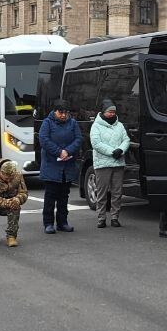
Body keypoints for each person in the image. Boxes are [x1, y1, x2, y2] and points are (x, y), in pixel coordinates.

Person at [38, 98, 81, 234]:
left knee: (64, 196)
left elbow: (78, 138)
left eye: (65, 113)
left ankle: (63, 222)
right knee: (50, 196)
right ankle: (48, 223)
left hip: (67, 165)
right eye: (60, 112)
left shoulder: (73, 123)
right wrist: (59, 151)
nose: (63, 115)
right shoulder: (47, 123)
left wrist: (68, 151)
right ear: (54, 111)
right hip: (52, 165)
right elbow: (44, 139)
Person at [90, 98, 130, 228]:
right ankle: (101, 218)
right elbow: (96, 143)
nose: (112, 114)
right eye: (109, 112)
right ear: (103, 112)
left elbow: (126, 140)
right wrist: (113, 151)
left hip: (118, 163)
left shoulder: (120, 125)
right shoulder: (96, 126)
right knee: (102, 192)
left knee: (117, 192)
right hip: (103, 164)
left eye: (113, 112)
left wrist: (121, 150)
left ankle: (114, 217)